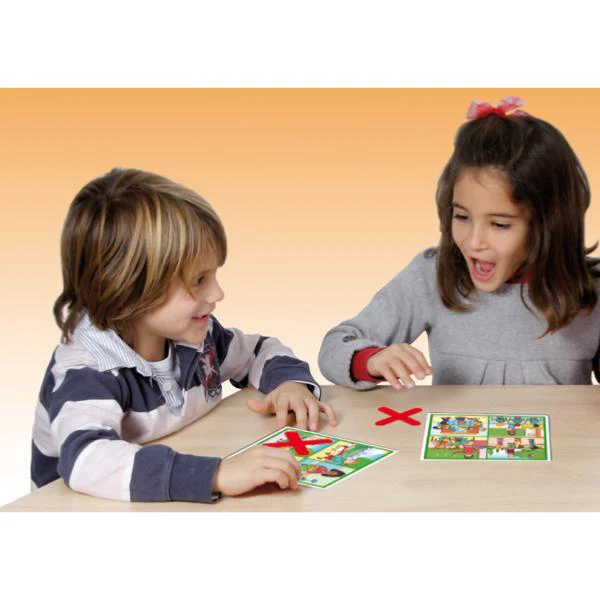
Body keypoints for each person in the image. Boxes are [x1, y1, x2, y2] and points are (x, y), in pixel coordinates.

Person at [31, 168, 336, 503]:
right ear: (130, 290)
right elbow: (87, 462)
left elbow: (258, 352)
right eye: (199, 281)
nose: (217, 293)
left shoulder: (196, 338)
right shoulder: (86, 372)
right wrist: (216, 475)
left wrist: (288, 384)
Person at [319, 97, 600, 388]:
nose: (474, 241)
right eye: (462, 217)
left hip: (561, 421)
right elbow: (335, 346)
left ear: (550, 224)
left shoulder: (592, 287)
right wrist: (372, 360)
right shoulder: (432, 274)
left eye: (499, 224)